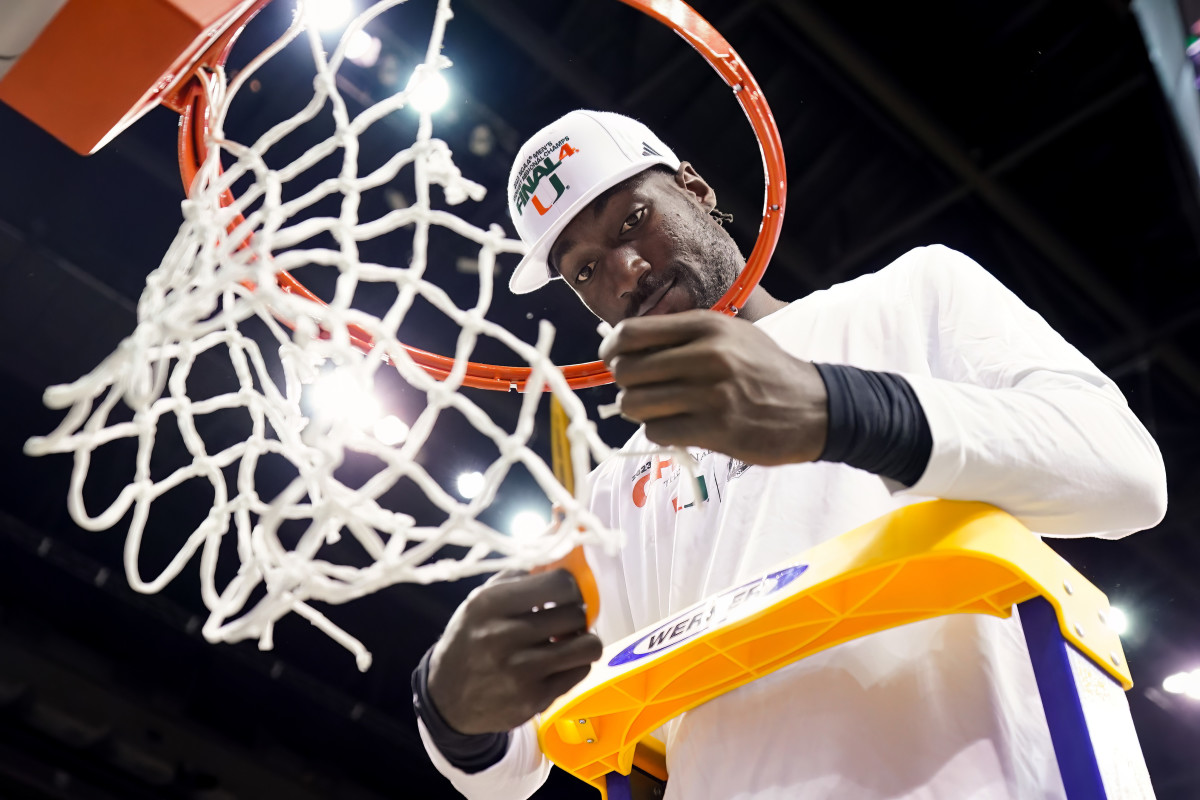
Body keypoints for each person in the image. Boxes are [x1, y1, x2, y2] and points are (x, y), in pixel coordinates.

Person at [410, 110, 1167, 799]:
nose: (625, 271)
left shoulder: (911, 297)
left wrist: (840, 410)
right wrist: (452, 711)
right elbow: (513, 767)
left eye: (633, 220)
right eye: (582, 270)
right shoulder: (614, 492)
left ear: (697, 190)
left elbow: (1128, 475)